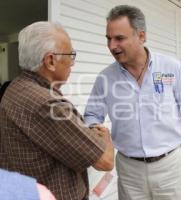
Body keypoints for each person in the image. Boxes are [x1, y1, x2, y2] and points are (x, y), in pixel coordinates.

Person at [84, 5, 181, 200]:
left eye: (119, 38)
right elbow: (92, 114)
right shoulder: (105, 78)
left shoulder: (170, 68)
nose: (111, 46)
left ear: (141, 36)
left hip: (170, 167)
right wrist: (94, 128)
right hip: (129, 170)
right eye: (108, 38)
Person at [0, 21, 114, 200]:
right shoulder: (48, 105)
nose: (72, 63)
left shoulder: (15, 88)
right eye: (71, 55)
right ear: (51, 61)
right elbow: (106, 162)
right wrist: (106, 137)